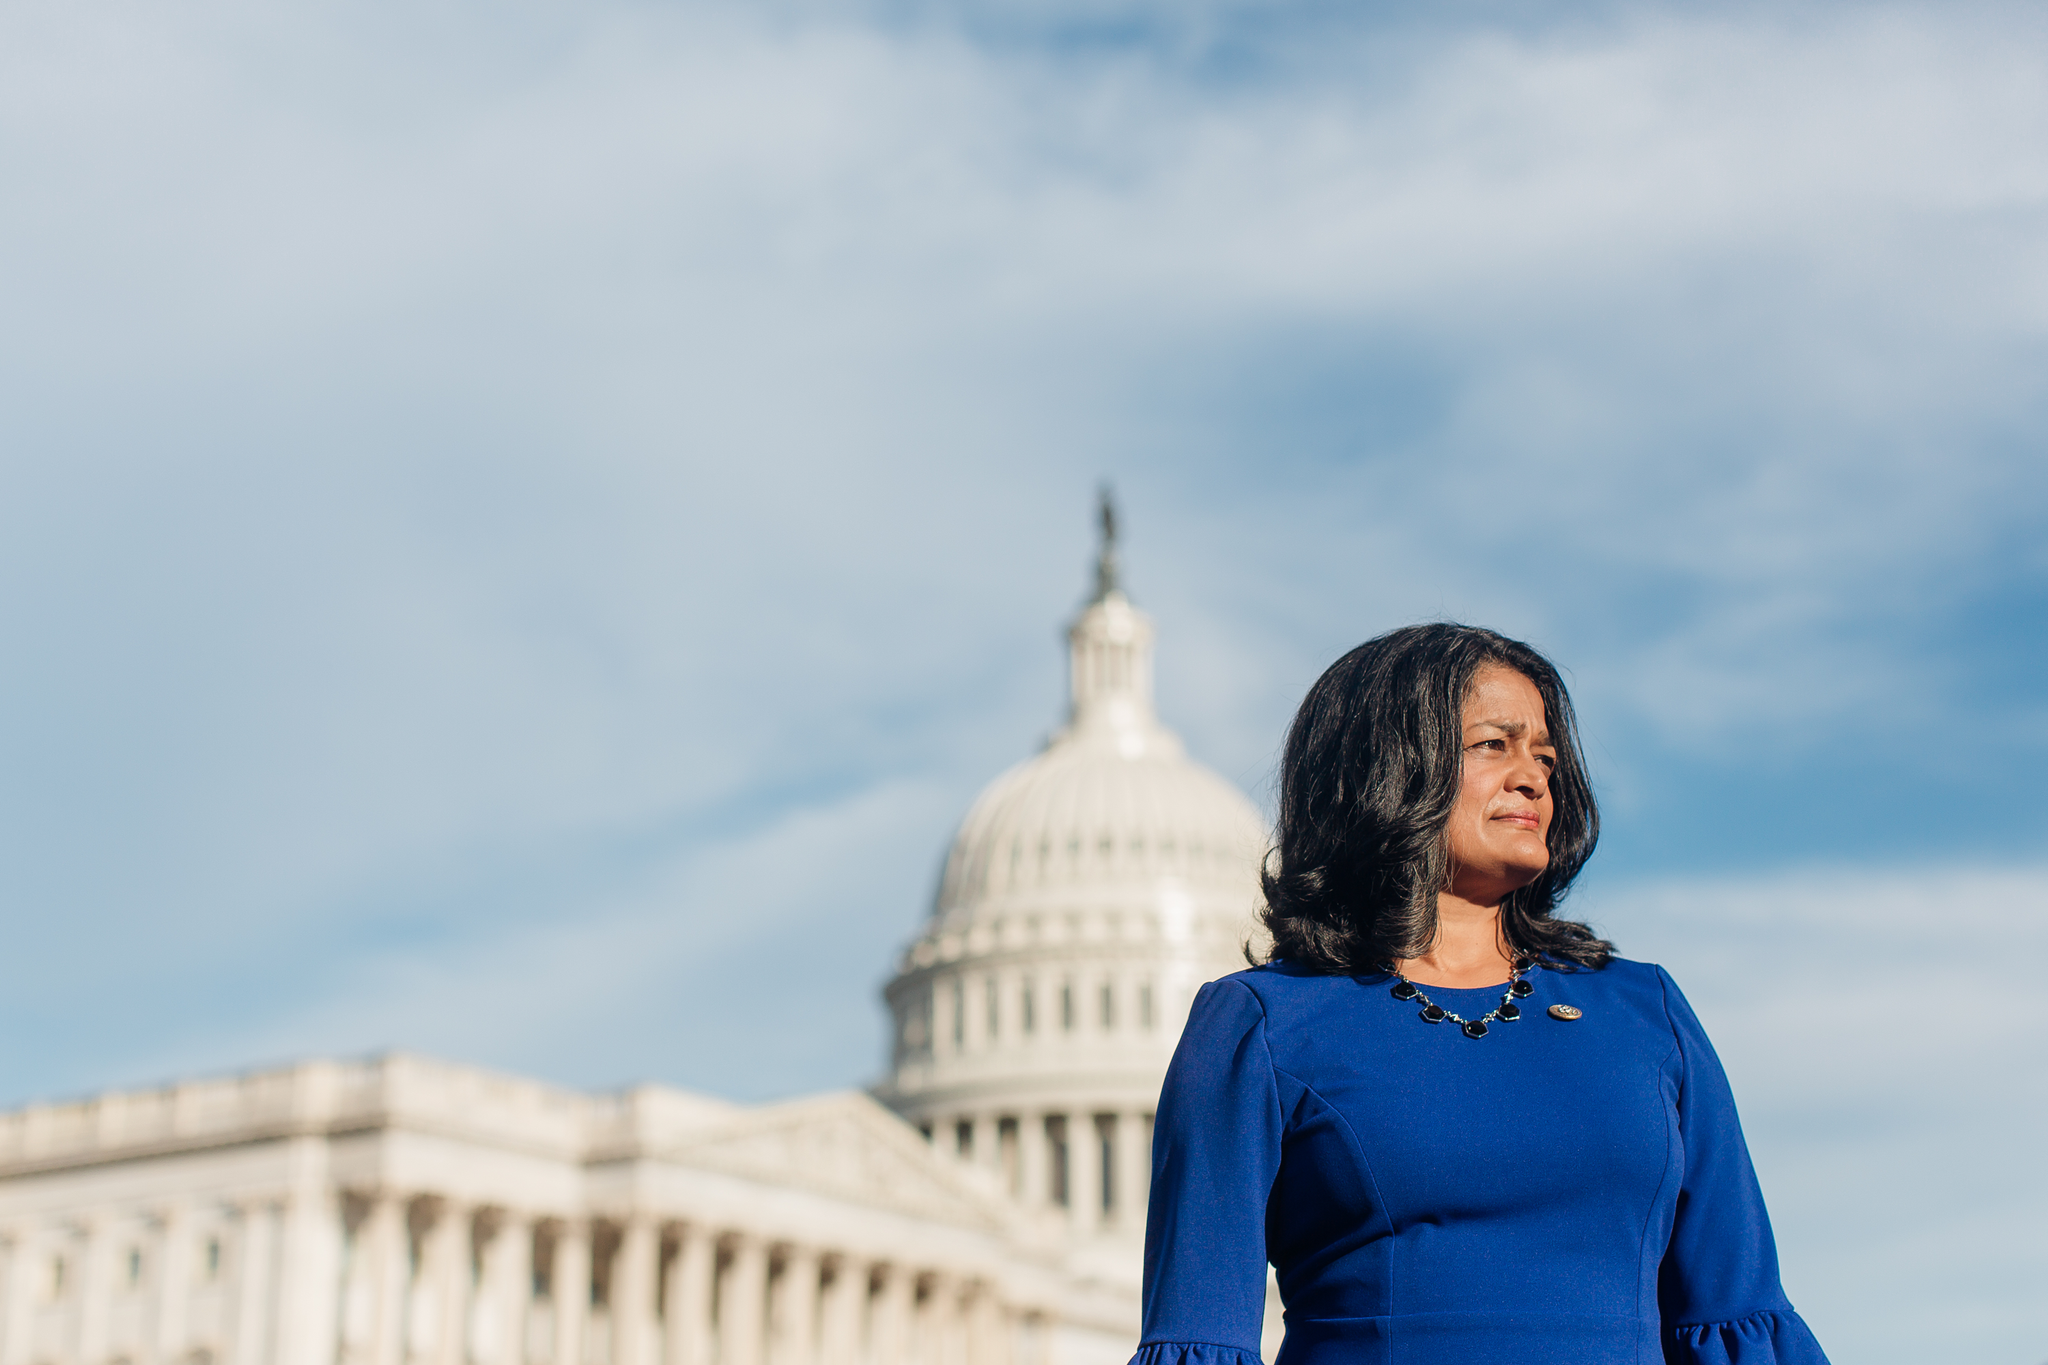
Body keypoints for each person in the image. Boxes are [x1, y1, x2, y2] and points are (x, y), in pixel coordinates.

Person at [1133, 624, 1830, 1365]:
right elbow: (1199, 1332)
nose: (1533, 776)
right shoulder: (1261, 1025)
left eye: (1546, 756)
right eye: (1495, 744)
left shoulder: (1644, 1012)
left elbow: (1737, 1308)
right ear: (1389, 767)